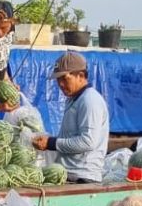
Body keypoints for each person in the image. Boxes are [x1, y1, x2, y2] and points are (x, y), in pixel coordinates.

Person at [32, 51, 109, 183]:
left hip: (82, 177)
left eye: (64, 78)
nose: (60, 84)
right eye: (58, 79)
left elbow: (88, 141)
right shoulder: (74, 99)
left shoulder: (89, 100)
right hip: (70, 174)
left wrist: (51, 143)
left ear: (80, 75)